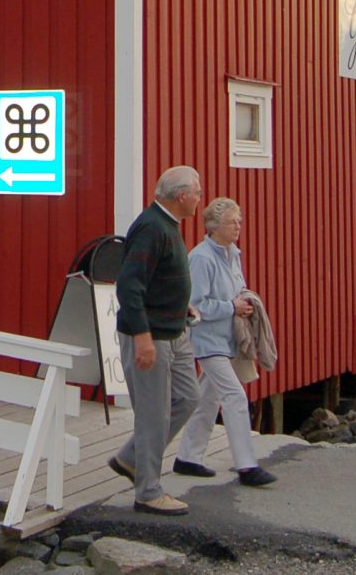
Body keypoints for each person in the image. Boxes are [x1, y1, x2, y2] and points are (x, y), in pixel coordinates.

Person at [108, 165, 204, 515]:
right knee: (153, 415)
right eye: (197, 192)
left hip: (174, 329)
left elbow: (159, 278)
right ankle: (148, 492)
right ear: (181, 196)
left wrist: (180, 304)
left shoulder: (168, 225)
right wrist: (143, 337)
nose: (199, 198)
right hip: (151, 335)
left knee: (188, 398)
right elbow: (129, 285)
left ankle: (131, 458)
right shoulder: (152, 228)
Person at [174, 197, 277, 486]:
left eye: (239, 221)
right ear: (214, 226)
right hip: (208, 341)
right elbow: (195, 305)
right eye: (232, 222)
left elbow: (237, 288)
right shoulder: (201, 259)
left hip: (228, 338)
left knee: (209, 397)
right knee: (235, 396)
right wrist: (232, 307)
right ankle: (246, 465)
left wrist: (245, 301)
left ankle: (188, 457)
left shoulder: (233, 254)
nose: (238, 226)